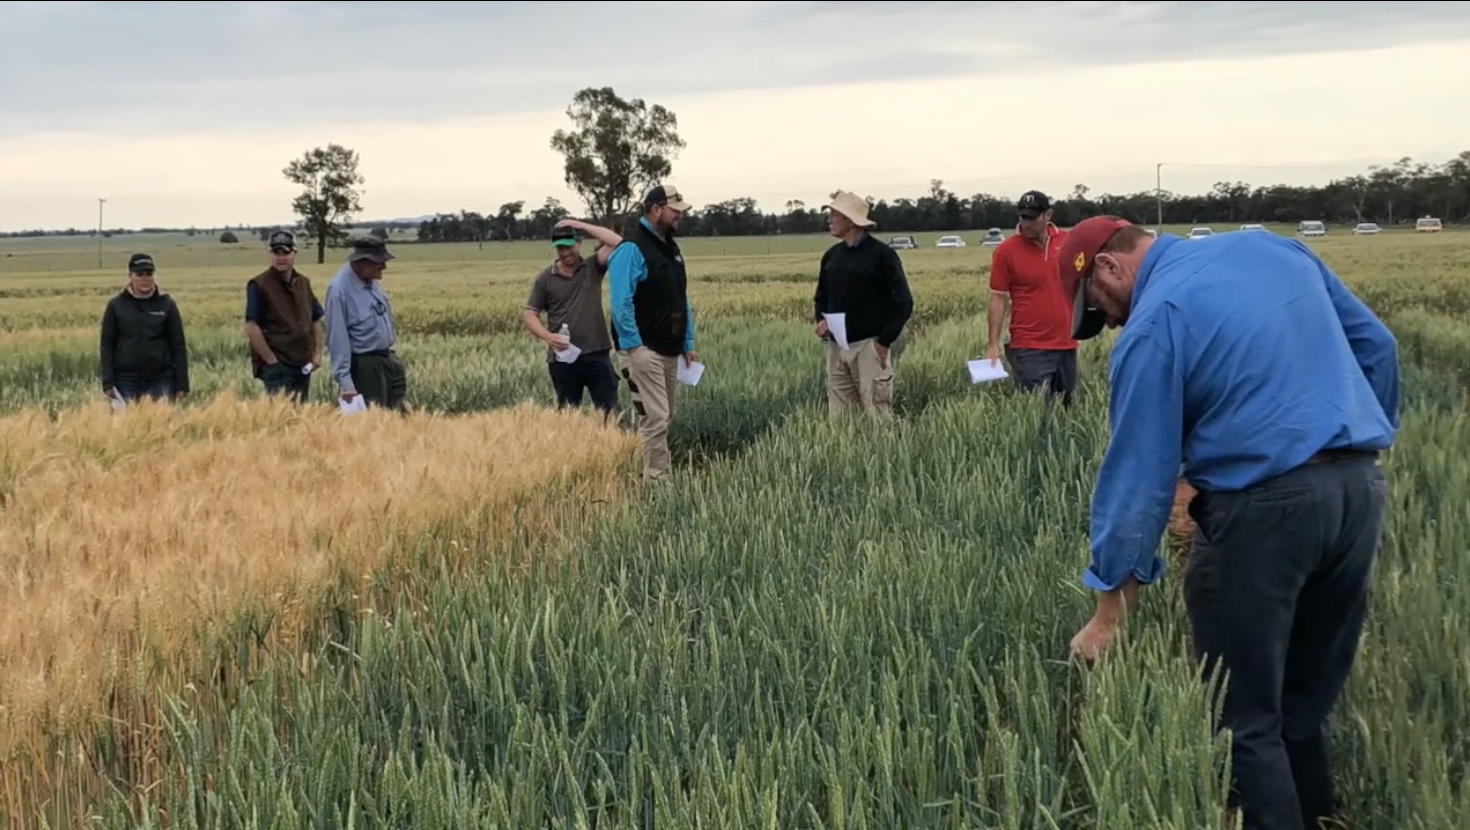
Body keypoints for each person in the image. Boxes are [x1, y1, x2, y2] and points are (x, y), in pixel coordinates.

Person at [1059, 216, 1399, 830]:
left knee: (1245, 722)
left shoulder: (1154, 321)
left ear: (1109, 267)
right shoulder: (1271, 248)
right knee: (1303, 707)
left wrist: (1109, 615)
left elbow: (1137, 478)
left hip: (1263, 516)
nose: (1109, 324)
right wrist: (1348, 454)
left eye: (1099, 308)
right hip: (1358, 495)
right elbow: (1377, 347)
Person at [607, 184, 698, 482]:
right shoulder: (631, 249)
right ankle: (658, 483)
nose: (679, 218)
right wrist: (634, 347)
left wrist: (687, 341)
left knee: (663, 416)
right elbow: (620, 302)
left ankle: (650, 472)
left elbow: (680, 297)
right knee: (656, 417)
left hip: (669, 348)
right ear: (656, 209)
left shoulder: (671, 249)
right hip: (644, 349)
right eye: (675, 211)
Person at [812, 190, 914, 419]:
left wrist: (884, 342)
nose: (829, 220)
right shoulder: (831, 256)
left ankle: (885, 454)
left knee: (877, 414)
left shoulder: (882, 255)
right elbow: (822, 297)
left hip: (869, 346)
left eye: (834, 215)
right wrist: (820, 320)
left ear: (850, 221)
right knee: (840, 419)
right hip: (836, 348)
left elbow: (903, 302)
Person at [522, 218, 623, 419]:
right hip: (563, 359)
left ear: (578, 243)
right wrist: (548, 337)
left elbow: (618, 243)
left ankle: (614, 449)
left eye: (569, 246)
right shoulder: (545, 279)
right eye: (560, 247)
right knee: (568, 419)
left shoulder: (593, 267)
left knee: (609, 415)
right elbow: (529, 313)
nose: (565, 252)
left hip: (597, 355)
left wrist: (582, 226)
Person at [985, 190, 1079, 406]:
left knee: (1067, 414)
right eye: (1022, 217)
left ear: (1048, 215)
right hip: (1029, 347)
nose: (1026, 223)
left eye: (1032, 217)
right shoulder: (1005, 251)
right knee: (1037, 416)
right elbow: (998, 298)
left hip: (1067, 344)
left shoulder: (1068, 243)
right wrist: (992, 344)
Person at [323, 235, 406, 412]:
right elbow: (337, 340)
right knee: (372, 426)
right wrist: (346, 383)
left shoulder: (371, 282)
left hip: (387, 362)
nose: (384, 266)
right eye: (379, 262)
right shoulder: (339, 291)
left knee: (399, 421)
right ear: (362, 262)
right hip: (365, 369)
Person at [244, 229, 324, 403]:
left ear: (294, 254)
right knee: (283, 418)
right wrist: (272, 361)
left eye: (286, 252)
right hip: (278, 367)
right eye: (276, 252)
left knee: (301, 415)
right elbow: (251, 326)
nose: (281, 257)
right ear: (270, 255)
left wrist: (317, 353)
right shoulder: (259, 285)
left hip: (303, 364)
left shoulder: (303, 282)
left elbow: (315, 319)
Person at [99, 252, 190, 403]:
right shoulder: (116, 306)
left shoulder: (167, 304)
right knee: (127, 425)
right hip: (125, 380)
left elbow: (178, 346)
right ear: (130, 276)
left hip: (161, 379)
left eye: (149, 273)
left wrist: (182, 384)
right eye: (139, 274)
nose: (145, 278)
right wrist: (108, 382)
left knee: (161, 425)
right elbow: (107, 345)